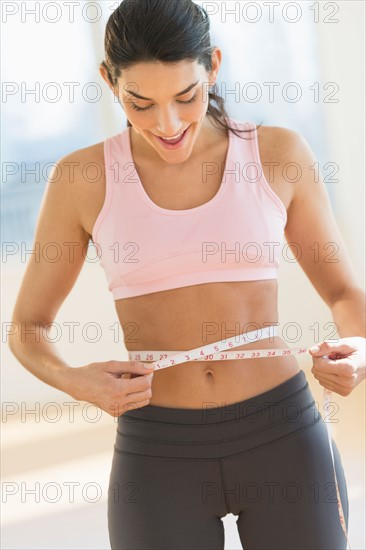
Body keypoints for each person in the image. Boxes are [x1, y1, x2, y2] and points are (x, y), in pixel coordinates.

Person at [9, 1, 365, 549]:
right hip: (158, 446)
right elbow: (27, 329)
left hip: (285, 433)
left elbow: (344, 292)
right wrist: (76, 382)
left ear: (213, 67)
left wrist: (358, 348)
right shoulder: (81, 180)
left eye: (186, 97)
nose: (167, 124)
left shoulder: (276, 155)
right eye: (140, 104)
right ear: (109, 81)